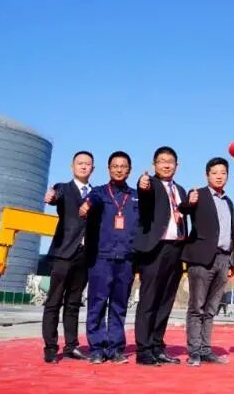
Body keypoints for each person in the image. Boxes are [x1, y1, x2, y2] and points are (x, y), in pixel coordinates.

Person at [80, 151, 139, 364]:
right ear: (108, 169)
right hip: (101, 257)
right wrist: (87, 204)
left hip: (126, 259)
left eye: (123, 166)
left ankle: (115, 348)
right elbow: (91, 200)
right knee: (97, 303)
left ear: (129, 170)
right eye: (115, 166)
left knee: (119, 305)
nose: (119, 169)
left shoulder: (136, 196)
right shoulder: (99, 192)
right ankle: (97, 348)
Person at [133, 146, 189, 366]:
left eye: (170, 161)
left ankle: (157, 346)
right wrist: (142, 184)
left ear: (177, 165)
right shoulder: (151, 185)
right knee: (149, 300)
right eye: (162, 161)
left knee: (166, 301)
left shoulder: (181, 190)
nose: (166, 165)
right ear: (154, 164)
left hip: (176, 249)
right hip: (155, 248)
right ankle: (143, 349)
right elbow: (144, 195)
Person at [181, 157, 234, 366]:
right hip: (202, 259)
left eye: (223, 173)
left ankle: (206, 350)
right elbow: (184, 209)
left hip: (223, 258)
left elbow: (231, 232)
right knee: (197, 307)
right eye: (214, 173)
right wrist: (190, 202)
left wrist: (232, 260)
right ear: (207, 175)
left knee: (212, 308)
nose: (219, 176)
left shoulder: (228, 201)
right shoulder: (198, 195)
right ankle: (194, 351)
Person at [41, 150, 94, 363]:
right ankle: (51, 347)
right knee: (54, 301)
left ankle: (72, 345)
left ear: (92, 168)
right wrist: (51, 197)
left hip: (84, 256)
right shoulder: (63, 188)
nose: (83, 166)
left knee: (73, 303)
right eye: (80, 163)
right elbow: (55, 196)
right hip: (64, 253)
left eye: (87, 163)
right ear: (72, 167)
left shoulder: (96, 194)